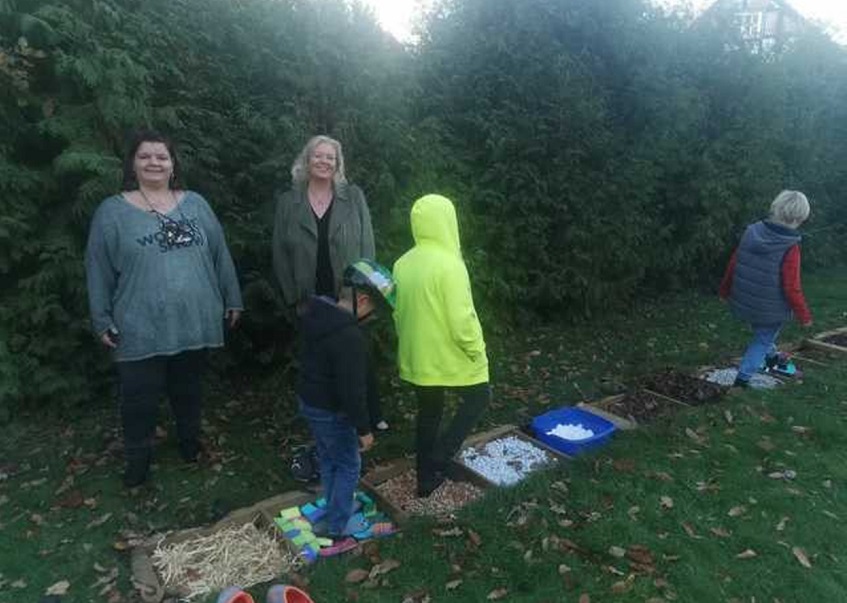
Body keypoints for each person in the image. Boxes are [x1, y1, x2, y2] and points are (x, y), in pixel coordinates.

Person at [85, 129, 243, 487]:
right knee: (138, 400)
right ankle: (138, 463)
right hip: (139, 326)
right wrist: (101, 319)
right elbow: (97, 269)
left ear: (173, 164)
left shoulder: (196, 204)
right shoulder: (112, 212)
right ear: (133, 164)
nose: (154, 162)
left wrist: (233, 298)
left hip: (194, 321)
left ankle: (189, 445)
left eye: (161, 156)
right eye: (145, 156)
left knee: (188, 390)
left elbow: (220, 254)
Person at [271, 135, 388, 431]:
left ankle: (371, 416)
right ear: (307, 161)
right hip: (308, 297)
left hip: (348, 295)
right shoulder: (288, 201)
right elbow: (279, 253)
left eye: (330, 157)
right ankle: (326, 416)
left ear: (338, 164)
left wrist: (365, 293)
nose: (324, 162)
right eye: (318, 156)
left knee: (357, 357)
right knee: (317, 359)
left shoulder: (354, 197)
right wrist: (292, 297)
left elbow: (367, 246)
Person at [392, 194, 490, 497]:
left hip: (418, 356)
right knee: (479, 397)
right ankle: (441, 456)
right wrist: (477, 349)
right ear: (448, 221)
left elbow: (398, 312)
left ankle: (425, 478)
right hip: (452, 355)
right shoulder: (450, 265)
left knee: (429, 411)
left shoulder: (401, 263)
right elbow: (462, 321)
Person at [296, 259, 396, 552]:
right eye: (373, 312)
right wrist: (364, 428)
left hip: (312, 402)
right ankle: (337, 526)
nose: (372, 318)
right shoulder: (348, 336)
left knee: (329, 459)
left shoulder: (319, 314)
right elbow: (352, 390)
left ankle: (334, 506)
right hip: (331, 410)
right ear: (362, 300)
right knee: (349, 464)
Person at [719, 190, 813, 387]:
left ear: (775, 208)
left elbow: (734, 262)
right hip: (770, 308)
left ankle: (772, 358)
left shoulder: (752, 231)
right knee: (762, 340)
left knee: (764, 334)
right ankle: (743, 379)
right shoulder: (791, 247)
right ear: (800, 218)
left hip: (745, 301)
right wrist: (804, 316)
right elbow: (792, 287)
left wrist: (725, 290)